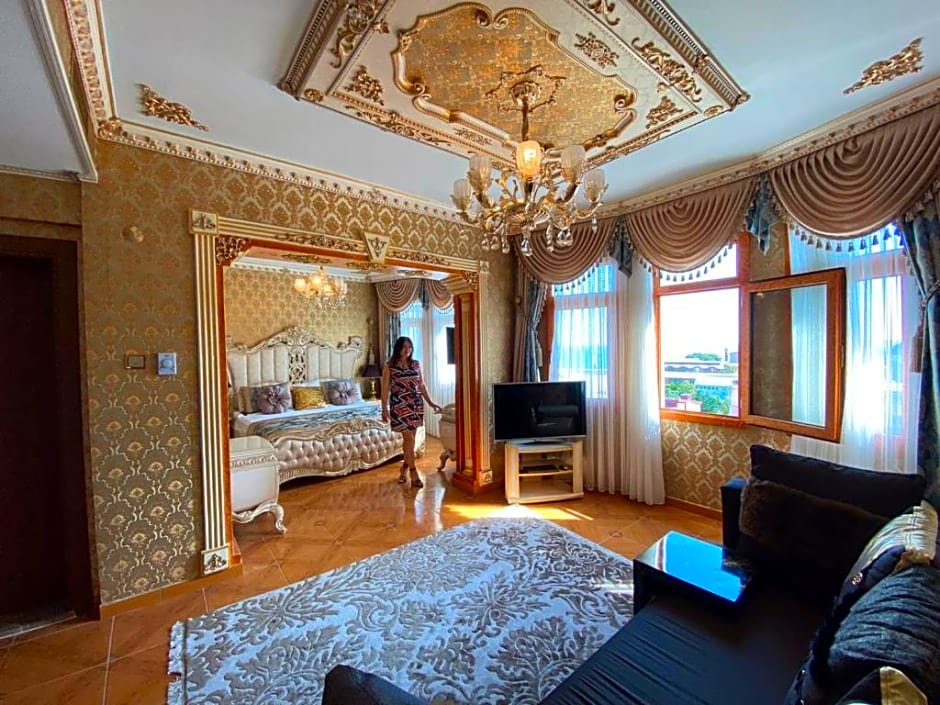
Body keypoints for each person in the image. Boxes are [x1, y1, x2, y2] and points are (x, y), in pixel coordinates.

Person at [381, 336, 443, 488]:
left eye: (409, 347)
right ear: (398, 348)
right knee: (408, 437)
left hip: (415, 405)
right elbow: (385, 388)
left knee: (411, 440)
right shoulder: (389, 366)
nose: (407, 349)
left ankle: (404, 469)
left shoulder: (416, 364)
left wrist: (431, 403)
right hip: (399, 405)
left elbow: (421, 385)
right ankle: (413, 472)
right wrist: (384, 408)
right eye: (404, 346)